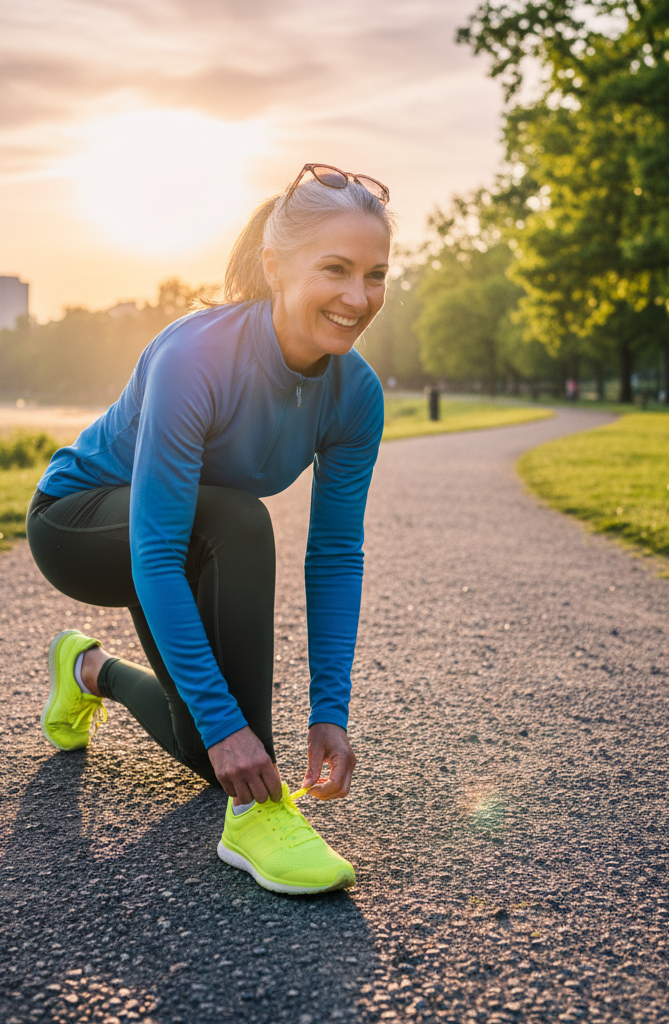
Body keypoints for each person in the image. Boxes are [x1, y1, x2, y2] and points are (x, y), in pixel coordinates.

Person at [26, 164, 393, 895]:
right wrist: (236, 728)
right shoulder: (197, 354)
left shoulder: (356, 395)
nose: (358, 298)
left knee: (208, 750)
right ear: (275, 268)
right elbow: (157, 552)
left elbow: (334, 556)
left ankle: (85, 669)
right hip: (78, 523)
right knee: (238, 524)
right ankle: (257, 819)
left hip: (182, 533)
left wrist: (330, 710)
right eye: (336, 269)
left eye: (376, 274)